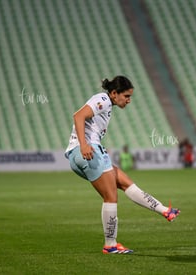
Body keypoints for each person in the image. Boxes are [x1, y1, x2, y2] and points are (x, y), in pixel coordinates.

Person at [65, 76, 180, 254]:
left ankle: (165, 211)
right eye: (126, 96)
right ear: (113, 93)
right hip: (87, 150)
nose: (128, 100)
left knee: (124, 182)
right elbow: (78, 116)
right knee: (111, 197)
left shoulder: (108, 105)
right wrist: (84, 145)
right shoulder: (102, 99)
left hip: (80, 154)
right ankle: (110, 244)